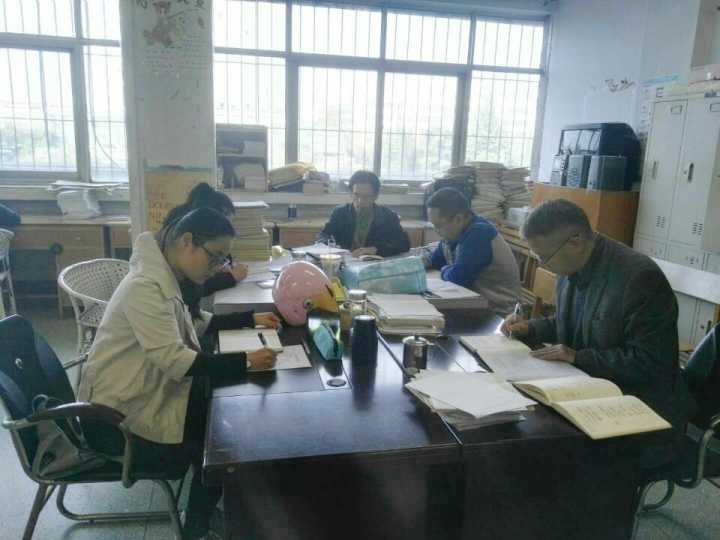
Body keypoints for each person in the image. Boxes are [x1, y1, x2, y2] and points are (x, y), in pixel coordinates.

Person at [78, 208, 281, 539]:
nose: (218, 267)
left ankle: (205, 511)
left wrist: (248, 319)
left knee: (223, 416)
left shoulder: (164, 276)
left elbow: (193, 323)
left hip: (136, 396)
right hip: (116, 422)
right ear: (187, 241)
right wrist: (245, 361)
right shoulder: (146, 286)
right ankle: (197, 526)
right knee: (224, 438)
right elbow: (176, 361)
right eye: (216, 257)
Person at [501, 199, 690, 466]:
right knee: (519, 429)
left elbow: (651, 363)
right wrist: (529, 328)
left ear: (575, 241)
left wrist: (578, 357)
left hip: (640, 407)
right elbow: (571, 322)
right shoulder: (572, 265)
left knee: (538, 451)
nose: (543, 264)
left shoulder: (639, 278)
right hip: (589, 387)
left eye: (544, 257)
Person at [422, 187, 520, 317]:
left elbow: (456, 279)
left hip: (496, 314)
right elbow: (436, 261)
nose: (436, 231)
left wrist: (445, 269)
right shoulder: (454, 233)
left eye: (438, 226)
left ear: (458, 219)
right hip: (473, 304)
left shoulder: (479, 234)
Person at [317, 170, 410, 257]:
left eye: (366, 196)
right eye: (356, 195)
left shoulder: (388, 216)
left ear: (375, 196)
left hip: (373, 264)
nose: (360, 201)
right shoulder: (340, 213)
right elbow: (323, 236)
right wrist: (332, 246)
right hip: (344, 262)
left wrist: (375, 249)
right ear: (351, 193)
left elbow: (403, 244)